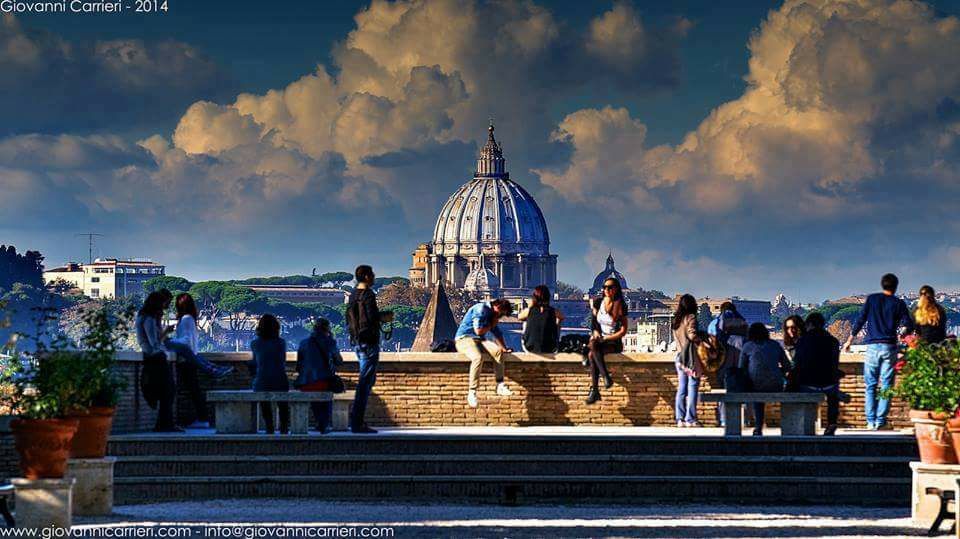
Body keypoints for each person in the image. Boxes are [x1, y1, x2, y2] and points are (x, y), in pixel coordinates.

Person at [844, 273, 914, 430]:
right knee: (887, 385)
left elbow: (860, 320)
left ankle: (870, 421)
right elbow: (908, 324)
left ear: (883, 285)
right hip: (889, 346)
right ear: (895, 287)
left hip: (872, 347)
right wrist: (902, 334)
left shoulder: (872, 299)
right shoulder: (898, 303)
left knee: (870, 385)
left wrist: (849, 340)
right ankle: (880, 421)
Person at [164, 293, 232, 429]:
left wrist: (169, 341)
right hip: (191, 358)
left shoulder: (186, 319)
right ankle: (202, 418)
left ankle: (203, 418)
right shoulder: (190, 319)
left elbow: (186, 340)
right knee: (194, 390)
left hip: (187, 361)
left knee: (194, 391)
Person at [346, 265, 393, 433]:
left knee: (367, 380)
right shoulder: (368, 295)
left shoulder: (352, 295)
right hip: (369, 343)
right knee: (365, 383)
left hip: (358, 342)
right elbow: (372, 318)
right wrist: (385, 317)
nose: (374, 277)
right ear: (366, 276)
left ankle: (356, 419)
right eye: (372, 274)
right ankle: (357, 421)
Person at [455, 298, 515, 408]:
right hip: (464, 339)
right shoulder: (481, 309)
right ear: (497, 307)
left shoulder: (492, 315)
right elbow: (478, 330)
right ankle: (472, 391)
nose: (500, 317)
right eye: (501, 314)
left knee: (497, 352)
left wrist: (504, 348)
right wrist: (492, 324)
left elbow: (497, 333)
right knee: (477, 357)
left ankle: (500, 384)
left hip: (479, 340)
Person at [790, 312, 842, 436]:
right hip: (829, 383)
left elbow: (798, 364)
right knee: (833, 394)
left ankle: (802, 422)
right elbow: (835, 363)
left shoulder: (803, 341)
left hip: (808, 384)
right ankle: (832, 422)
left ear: (810, 324)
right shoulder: (833, 341)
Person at [136, 290, 180, 432]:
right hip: (155, 358)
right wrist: (166, 332)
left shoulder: (146, 317)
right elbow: (154, 342)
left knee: (167, 392)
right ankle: (165, 424)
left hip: (155, 357)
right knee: (167, 391)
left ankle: (164, 424)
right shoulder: (148, 318)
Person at [739, 323, 790, 436]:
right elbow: (787, 365)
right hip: (776, 384)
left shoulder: (748, 346)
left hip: (755, 385)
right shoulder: (775, 345)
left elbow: (741, 368)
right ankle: (787, 424)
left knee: (757, 398)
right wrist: (777, 372)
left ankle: (758, 426)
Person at [295, 318, 343, 433]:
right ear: (327, 328)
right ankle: (324, 423)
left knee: (315, 398)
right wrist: (331, 339)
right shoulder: (329, 342)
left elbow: (299, 364)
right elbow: (339, 361)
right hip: (323, 383)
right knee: (327, 396)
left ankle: (319, 421)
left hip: (305, 383)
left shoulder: (303, 343)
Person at [585, 278, 628, 405]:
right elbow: (594, 324)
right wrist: (596, 333)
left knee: (591, 354)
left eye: (610, 287)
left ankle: (595, 390)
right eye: (604, 287)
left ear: (616, 289)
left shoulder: (620, 305)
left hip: (613, 341)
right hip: (599, 341)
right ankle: (605, 377)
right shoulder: (598, 303)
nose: (606, 290)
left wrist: (606, 338)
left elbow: (623, 331)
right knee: (593, 347)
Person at [707, 301, 747, 427]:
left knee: (724, 390)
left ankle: (724, 419)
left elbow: (711, 340)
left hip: (724, 360)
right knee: (742, 389)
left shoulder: (716, 323)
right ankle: (744, 419)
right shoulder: (742, 321)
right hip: (741, 360)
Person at [249, 314, 289, 434]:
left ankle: (269, 427)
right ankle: (284, 428)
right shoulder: (281, 343)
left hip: (262, 381)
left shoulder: (255, 343)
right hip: (280, 379)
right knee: (283, 405)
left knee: (264, 404)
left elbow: (255, 362)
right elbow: (282, 360)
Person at [672, 294, 703, 427]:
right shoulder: (691, 318)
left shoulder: (676, 320)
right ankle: (690, 418)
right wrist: (702, 338)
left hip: (679, 357)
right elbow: (692, 335)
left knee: (681, 389)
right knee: (692, 387)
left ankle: (680, 418)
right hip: (690, 357)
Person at [519, 285, 564, 353]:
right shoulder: (553, 311)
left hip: (530, 347)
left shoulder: (529, 311)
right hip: (550, 347)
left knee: (525, 322)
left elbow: (519, 317)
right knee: (556, 323)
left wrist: (531, 306)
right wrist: (556, 325)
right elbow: (561, 317)